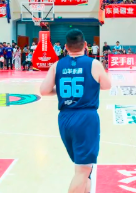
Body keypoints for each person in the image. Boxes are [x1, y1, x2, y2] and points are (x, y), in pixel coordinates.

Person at [40, 29, 112, 193]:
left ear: (66, 47)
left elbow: (44, 90)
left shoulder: (57, 65)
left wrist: (60, 92)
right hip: (86, 119)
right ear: (85, 45)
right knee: (83, 170)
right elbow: (107, 86)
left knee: (84, 169)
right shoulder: (94, 64)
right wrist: (89, 87)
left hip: (65, 118)